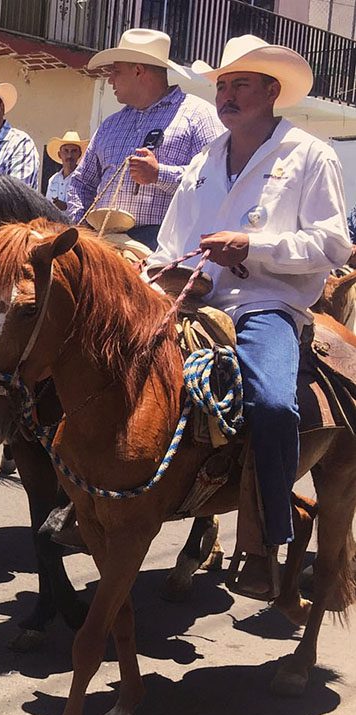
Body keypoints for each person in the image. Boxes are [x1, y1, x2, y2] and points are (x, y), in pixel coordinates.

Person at [148, 35, 351, 600]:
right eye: (222, 85)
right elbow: (172, 241)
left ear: (271, 91)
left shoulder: (310, 154)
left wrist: (252, 247)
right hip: (193, 299)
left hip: (267, 305)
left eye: (240, 85)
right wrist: (156, 274)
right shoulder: (204, 160)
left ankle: (265, 543)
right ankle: (93, 502)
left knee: (271, 402)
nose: (227, 95)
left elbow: (332, 245)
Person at [67, 29, 223, 249]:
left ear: (138, 71)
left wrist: (159, 174)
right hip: (101, 242)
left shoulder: (198, 116)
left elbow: (214, 181)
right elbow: (82, 181)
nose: (110, 79)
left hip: (162, 244)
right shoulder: (110, 125)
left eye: (116, 71)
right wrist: (80, 227)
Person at [44, 130, 87, 211]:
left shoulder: (83, 179)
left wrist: (65, 207)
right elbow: (47, 207)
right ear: (59, 154)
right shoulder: (53, 180)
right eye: (66, 151)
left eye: (74, 151)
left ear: (79, 154)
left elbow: (85, 208)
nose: (69, 155)